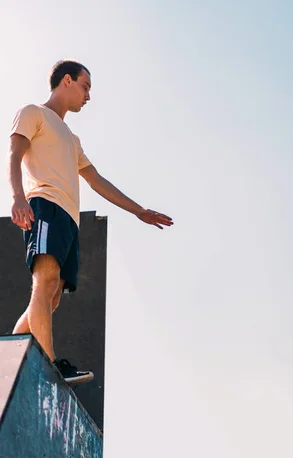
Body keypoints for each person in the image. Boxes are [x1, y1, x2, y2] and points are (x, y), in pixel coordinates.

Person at [7, 59, 174, 384]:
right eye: (85, 86)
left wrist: (138, 210)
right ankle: (52, 365)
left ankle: (10, 354)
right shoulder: (33, 113)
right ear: (66, 81)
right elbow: (14, 153)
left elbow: (96, 180)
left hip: (69, 219)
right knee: (45, 279)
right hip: (44, 205)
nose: (88, 95)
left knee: (52, 294)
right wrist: (17, 197)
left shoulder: (72, 139)